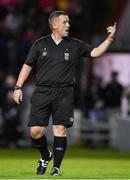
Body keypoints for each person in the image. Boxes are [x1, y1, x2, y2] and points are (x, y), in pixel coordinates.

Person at [13, 10, 116, 176]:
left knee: (60, 129)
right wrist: (18, 87)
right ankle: (45, 156)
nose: (68, 25)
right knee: (35, 131)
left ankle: (56, 168)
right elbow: (27, 65)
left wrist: (109, 39)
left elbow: (95, 52)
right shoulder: (40, 44)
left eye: (68, 22)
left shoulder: (75, 45)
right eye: (64, 22)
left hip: (64, 92)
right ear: (54, 25)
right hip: (42, 91)